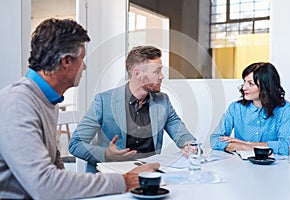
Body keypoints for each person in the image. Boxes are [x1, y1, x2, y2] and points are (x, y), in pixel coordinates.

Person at [0, 18, 159, 199]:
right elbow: (45, 185)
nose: (85, 66)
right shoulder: (17, 103)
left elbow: (55, 166)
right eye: (82, 58)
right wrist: (125, 181)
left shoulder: (47, 101)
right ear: (66, 61)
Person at [69, 45, 196, 173]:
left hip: (149, 175)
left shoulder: (163, 101)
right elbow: (76, 144)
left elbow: (180, 132)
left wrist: (188, 144)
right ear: (138, 74)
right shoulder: (103, 101)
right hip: (113, 176)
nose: (161, 76)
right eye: (157, 71)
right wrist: (107, 154)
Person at [210, 62, 290, 155]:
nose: (244, 88)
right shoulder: (235, 108)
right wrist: (243, 146)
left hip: (275, 167)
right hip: (241, 165)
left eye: (251, 84)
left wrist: (246, 143)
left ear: (266, 87)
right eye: (244, 82)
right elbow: (215, 140)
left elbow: (286, 147)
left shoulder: (285, 109)